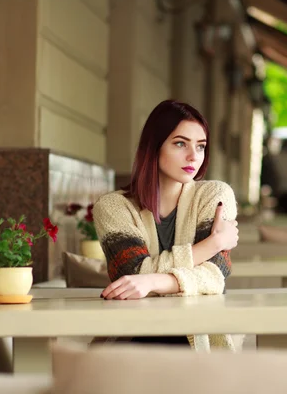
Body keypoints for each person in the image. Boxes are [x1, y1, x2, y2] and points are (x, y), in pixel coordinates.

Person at [92, 100, 239, 351]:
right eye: (180, 144)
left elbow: (214, 277)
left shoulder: (215, 196)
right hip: (132, 339)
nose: (194, 156)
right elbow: (134, 274)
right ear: (154, 147)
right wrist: (213, 243)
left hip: (202, 343)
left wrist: (153, 282)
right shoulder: (113, 207)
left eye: (200, 146)